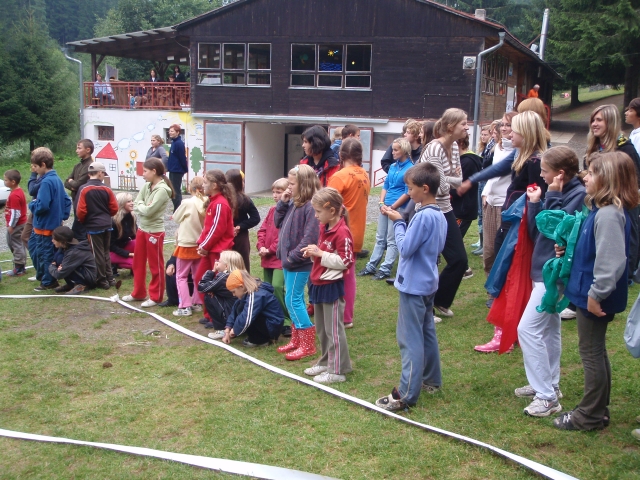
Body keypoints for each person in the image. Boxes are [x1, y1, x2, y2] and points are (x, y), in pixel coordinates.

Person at [554, 151, 638, 431]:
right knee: (596, 351)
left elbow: (611, 261)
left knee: (591, 353)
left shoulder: (609, 215)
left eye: (591, 173)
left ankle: (588, 415)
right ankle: (598, 410)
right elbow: (594, 248)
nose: (585, 177)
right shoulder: (601, 210)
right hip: (589, 292)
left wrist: (595, 295)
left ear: (608, 179)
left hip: (594, 296)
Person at [515, 146, 585, 417]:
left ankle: (546, 396)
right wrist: (536, 203)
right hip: (543, 268)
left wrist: (552, 196)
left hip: (554, 273)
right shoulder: (557, 191)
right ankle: (550, 384)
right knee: (549, 329)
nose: (541, 176)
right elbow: (538, 232)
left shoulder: (576, 195)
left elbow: (557, 229)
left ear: (560, 173)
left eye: (545, 171)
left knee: (527, 329)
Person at [375, 162, 447, 411]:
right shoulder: (439, 215)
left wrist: (398, 222)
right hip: (428, 283)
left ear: (424, 189)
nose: (408, 193)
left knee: (409, 339)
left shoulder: (422, 216)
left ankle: (406, 393)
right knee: (427, 331)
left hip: (414, 286)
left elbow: (405, 249)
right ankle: (431, 379)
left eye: (410, 188)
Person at [300, 188, 354, 384]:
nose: (315, 216)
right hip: (318, 283)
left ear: (331, 211)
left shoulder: (342, 232)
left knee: (334, 331)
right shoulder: (325, 227)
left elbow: (347, 261)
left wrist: (321, 254)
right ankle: (325, 362)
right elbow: (323, 252)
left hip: (331, 286)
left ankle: (338, 370)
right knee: (322, 329)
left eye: (318, 211)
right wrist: (313, 252)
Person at [419, 108, 468, 319]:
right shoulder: (434, 149)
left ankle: (440, 300)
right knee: (429, 261)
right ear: (450, 127)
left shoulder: (455, 146)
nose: (467, 127)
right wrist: (450, 181)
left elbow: (457, 180)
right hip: (428, 210)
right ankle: (425, 309)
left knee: (460, 260)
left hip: (445, 209)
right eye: (463, 123)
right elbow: (439, 188)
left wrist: (447, 181)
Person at [585, 104, 640, 282]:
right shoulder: (595, 146)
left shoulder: (625, 149)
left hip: (620, 206)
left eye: (599, 120)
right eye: (593, 120)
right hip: (597, 204)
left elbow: (634, 181)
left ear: (611, 122)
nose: (594, 124)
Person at [275, 164, 320, 361]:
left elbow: (310, 237)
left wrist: (292, 257)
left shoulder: (310, 206)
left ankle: (307, 344)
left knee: (292, 300)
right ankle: (296, 339)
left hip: (298, 263)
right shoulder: (294, 202)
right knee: (294, 299)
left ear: (304, 184)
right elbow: (278, 223)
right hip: (289, 261)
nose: (288, 188)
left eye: (292, 184)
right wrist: (283, 203)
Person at [328, 138, 371, 327]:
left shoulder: (339, 176)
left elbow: (326, 204)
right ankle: (346, 316)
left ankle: (339, 314)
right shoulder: (364, 174)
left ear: (341, 155)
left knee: (335, 273)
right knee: (349, 275)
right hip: (357, 232)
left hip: (340, 232)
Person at [122, 158, 175, 307]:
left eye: (145, 171)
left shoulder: (163, 190)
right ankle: (138, 293)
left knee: (155, 264)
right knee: (138, 262)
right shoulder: (147, 186)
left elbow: (149, 211)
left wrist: (141, 207)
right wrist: (142, 206)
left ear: (154, 171)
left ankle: (156, 296)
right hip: (142, 229)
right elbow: (138, 203)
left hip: (155, 232)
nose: (143, 174)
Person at [358, 137, 412, 281]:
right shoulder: (393, 166)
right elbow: (386, 185)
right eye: (392, 149)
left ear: (404, 150)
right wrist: (381, 203)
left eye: (395, 150)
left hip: (398, 207)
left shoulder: (410, 168)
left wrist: (392, 207)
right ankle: (371, 266)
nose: (392, 152)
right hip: (387, 205)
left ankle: (385, 268)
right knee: (380, 237)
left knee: (392, 239)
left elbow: (407, 192)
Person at [192, 169, 236, 325]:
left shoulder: (220, 204)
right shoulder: (213, 202)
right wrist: (201, 243)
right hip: (211, 249)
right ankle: (210, 314)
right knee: (201, 278)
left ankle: (218, 316)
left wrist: (205, 246)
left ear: (215, 185)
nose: (202, 185)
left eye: (205, 182)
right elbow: (207, 228)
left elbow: (217, 230)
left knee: (216, 284)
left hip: (218, 251)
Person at [29, 148, 72, 292]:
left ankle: (48, 281)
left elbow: (42, 205)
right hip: (53, 224)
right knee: (48, 252)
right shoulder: (57, 179)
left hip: (44, 226)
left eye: (35, 166)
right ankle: (46, 278)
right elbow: (67, 200)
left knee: (44, 254)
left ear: (43, 164)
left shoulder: (46, 182)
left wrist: (32, 204)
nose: (34, 170)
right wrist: (62, 216)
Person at [75, 162, 119, 290]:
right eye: (103, 173)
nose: (103, 175)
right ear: (99, 173)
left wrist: (84, 221)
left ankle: (102, 280)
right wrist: (106, 216)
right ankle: (110, 278)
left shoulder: (84, 189)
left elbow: (80, 210)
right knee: (105, 252)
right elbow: (114, 208)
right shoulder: (107, 189)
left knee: (97, 253)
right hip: (107, 224)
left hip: (93, 226)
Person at [256, 178, 291, 335]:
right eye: (274, 192)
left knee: (277, 286)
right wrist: (261, 246)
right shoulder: (271, 210)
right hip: (266, 256)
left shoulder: (289, 211)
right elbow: (262, 230)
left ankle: (287, 319)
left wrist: (269, 249)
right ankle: (273, 318)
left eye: (279, 192)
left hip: (279, 257)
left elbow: (284, 236)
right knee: (268, 288)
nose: (275, 195)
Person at [171, 177, 207, 316]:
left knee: (181, 276)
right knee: (198, 275)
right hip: (200, 244)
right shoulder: (206, 202)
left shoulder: (187, 202)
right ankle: (197, 302)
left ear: (190, 188)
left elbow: (176, 217)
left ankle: (184, 306)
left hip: (186, 243)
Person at [222, 270, 285, 348]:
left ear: (241, 287)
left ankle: (261, 340)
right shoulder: (248, 292)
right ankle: (258, 336)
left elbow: (247, 317)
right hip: (268, 323)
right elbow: (235, 310)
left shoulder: (256, 295)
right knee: (240, 306)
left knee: (248, 313)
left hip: (272, 326)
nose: (233, 295)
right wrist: (228, 328)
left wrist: (235, 330)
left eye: (234, 292)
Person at [199, 250, 246, 338]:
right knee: (212, 292)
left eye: (219, 261)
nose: (217, 263)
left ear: (226, 266)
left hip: (232, 314)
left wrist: (212, 271)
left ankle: (222, 328)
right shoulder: (243, 274)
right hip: (242, 313)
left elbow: (201, 287)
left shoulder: (223, 277)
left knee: (209, 296)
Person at [226, 169, 260, 273]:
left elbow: (255, 218)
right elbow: (256, 218)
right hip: (239, 237)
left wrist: (239, 226)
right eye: (242, 180)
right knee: (242, 266)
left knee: (227, 264)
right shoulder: (244, 199)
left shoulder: (242, 199)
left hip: (232, 236)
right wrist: (240, 227)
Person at [450, 133, 482, 239]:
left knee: (454, 240)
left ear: (460, 143)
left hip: (462, 209)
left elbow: (458, 187)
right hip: (458, 207)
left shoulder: (468, 162)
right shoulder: (459, 160)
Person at [49, 226, 97, 295]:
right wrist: (58, 267)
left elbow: (59, 275)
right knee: (60, 258)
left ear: (62, 241)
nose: (52, 241)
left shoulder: (74, 252)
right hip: (82, 273)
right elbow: (55, 260)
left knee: (64, 263)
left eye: (54, 239)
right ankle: (71, 284)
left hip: (88, 278)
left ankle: (82, 285)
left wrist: (52, 267)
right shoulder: (64, 247)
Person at [65, 139, 94, 241]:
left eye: (79, 148)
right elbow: (66, 182)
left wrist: (72, 183)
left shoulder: (90, 166)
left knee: (79, 233)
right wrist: (73, 185)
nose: (76, 151)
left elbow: (78, 185)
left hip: (84, 204)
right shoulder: (77, 166)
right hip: (75, 202)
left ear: (88, 150)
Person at [4, 169, 27, 276]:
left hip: (17, 225)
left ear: (13, 182)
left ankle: (19, 267)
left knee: (16, 244)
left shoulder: (15, 195)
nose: (4, 182)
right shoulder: (17, 191)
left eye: (6, 180)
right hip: (17, 224)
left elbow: (16, 213)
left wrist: (11, 225)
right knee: (13, 243)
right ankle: (20, 265)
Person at [109, 192, 136, 274]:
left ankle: (132, 269)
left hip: (123, 246)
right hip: (111, 251)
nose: (132, 203)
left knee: (140, 242)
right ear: (121, 203)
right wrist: (129, 254)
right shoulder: (113, 221)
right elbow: (111, 246)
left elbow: (136, 236)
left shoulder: (131, 217)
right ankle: (113, 265)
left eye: (132, 201)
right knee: (135, 264)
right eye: (129, 201)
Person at [167, 124, 187, 211]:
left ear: (177, 132)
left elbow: (182, 157)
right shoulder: (174, 142)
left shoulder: (179, 143)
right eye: (169, 131)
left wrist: (184, 169)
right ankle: (176, 209)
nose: (170, 133)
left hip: (177, 171)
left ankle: (178, 210)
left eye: (172, 131)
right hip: (172, 170)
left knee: (176, 191)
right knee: (173, 190)